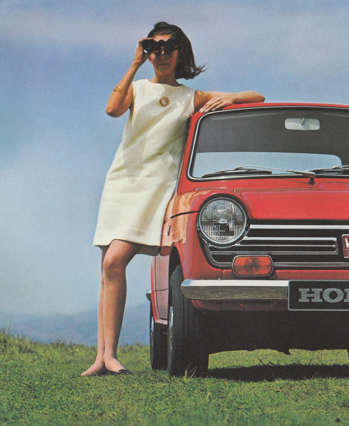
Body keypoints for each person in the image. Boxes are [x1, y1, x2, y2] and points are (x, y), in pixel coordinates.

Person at [82, 22, 265, 376]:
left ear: (181, 52)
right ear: (148, 52)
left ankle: (111, 356)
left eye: (169, 46)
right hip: (121, 181)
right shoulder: (137, 88)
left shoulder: (189, 97)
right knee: (107, 268)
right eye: (155, 47)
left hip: (154, 186)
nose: (162, 53)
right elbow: (112, 109)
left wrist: (231, 98)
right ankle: (102, 357)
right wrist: (134, 63)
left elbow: (257, 97)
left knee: (114, 262)